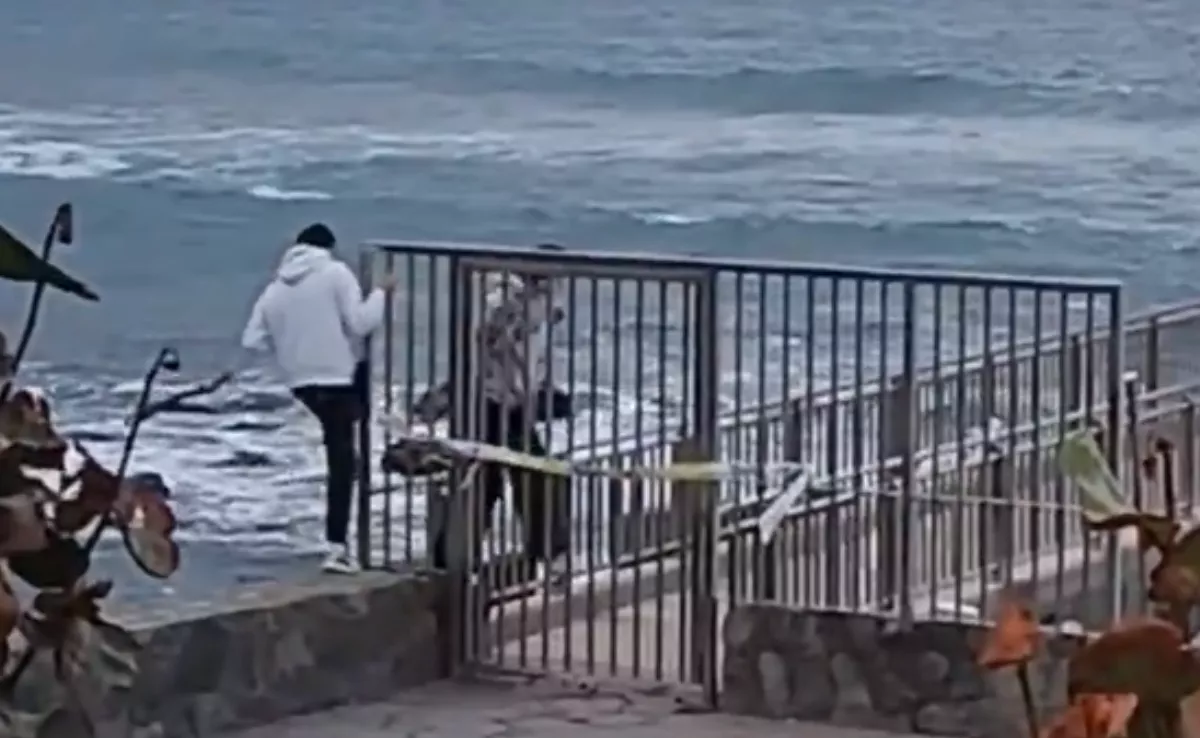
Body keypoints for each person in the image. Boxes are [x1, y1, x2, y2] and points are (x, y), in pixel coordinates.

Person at [241, 223, 394, 574]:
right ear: (328, 247)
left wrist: (291, 347)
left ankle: (341, 541)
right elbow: (361, 323)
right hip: (338, 379)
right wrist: (383, 292)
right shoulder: (335, 273)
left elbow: (252, 340)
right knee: (343, 463)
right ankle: (337, 547)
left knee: (341, 453)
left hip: (302, 383)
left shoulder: (274, 289)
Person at [415, 244, 571, 586]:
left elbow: (521, 352)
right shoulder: (515, 304)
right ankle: (546, 556)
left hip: (507, 401)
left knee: (496, 481)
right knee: (520, 478)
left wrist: (543, 388)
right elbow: (494, 338)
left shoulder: (524, 306)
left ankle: (452, 561)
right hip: (494, 403)